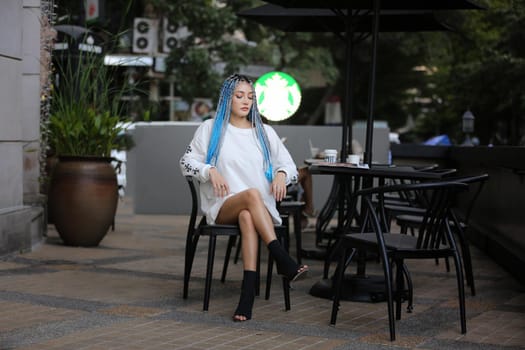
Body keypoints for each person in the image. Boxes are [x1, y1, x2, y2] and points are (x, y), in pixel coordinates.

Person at [180, 74, 309, 322]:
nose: (245, 101)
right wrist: (210, 170)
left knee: (248, 215)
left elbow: (291, 166)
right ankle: (281, 258)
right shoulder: (210, 128)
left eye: (250, 97)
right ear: (227, 99)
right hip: (221, 206)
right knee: (251, 195)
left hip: (257, 211)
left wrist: (282, 174)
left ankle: (247, 296)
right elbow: (186, 162)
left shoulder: (265, 133)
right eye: (239, 96)